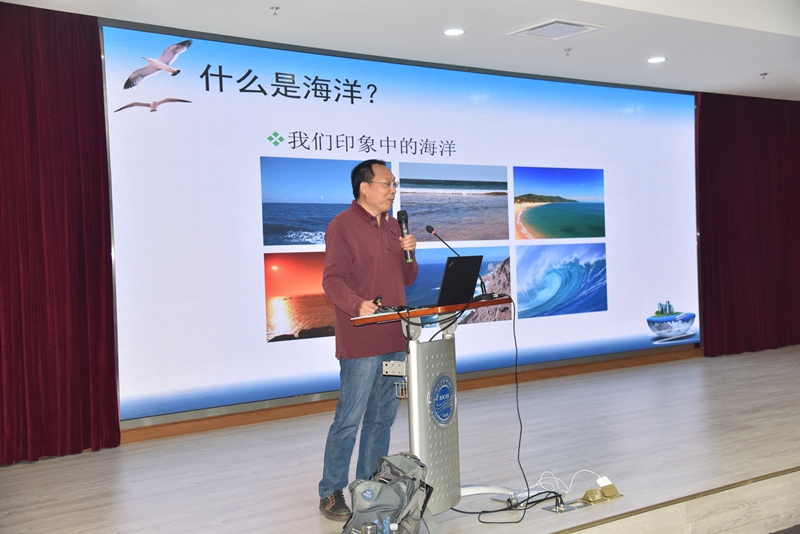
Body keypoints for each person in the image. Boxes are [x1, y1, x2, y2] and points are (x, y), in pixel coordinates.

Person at [318, 159, 418, 521]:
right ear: (365, 187)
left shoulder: (394, 225)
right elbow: (332, 280)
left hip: (394, 338)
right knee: (349, 418)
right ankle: (330, 490)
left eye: (394, 185)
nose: (393, 190)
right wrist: (356, 304)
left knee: (382, 418)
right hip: (360, 341)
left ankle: (368, 487)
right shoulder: (342, 226)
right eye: (387, 183)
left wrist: (410, 251)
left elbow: (408, 278)